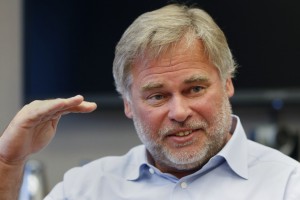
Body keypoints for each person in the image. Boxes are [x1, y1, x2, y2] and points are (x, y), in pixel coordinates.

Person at [1, 4, 300, 200]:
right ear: (128, 104)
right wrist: (8, 163)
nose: (179, 112)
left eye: (195, 89)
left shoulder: (288, 185)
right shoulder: (85, 188)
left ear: (227, 84)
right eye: (157, 96)